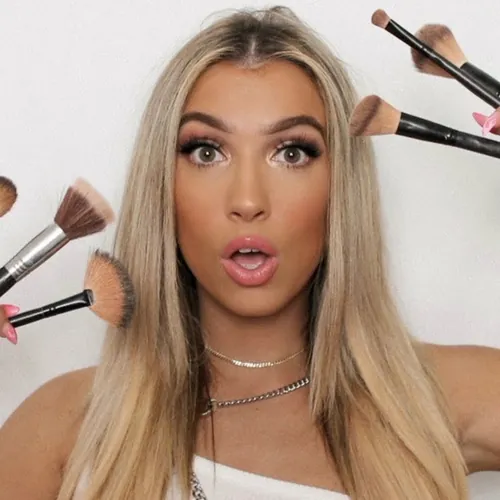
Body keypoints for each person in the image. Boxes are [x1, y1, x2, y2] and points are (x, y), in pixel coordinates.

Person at [0, 6, 499, 500]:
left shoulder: (443, 397)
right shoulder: (60, 427)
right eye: (206, 152)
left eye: (292, 153)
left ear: (341, 188)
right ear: (163, 186)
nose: (247, 200)